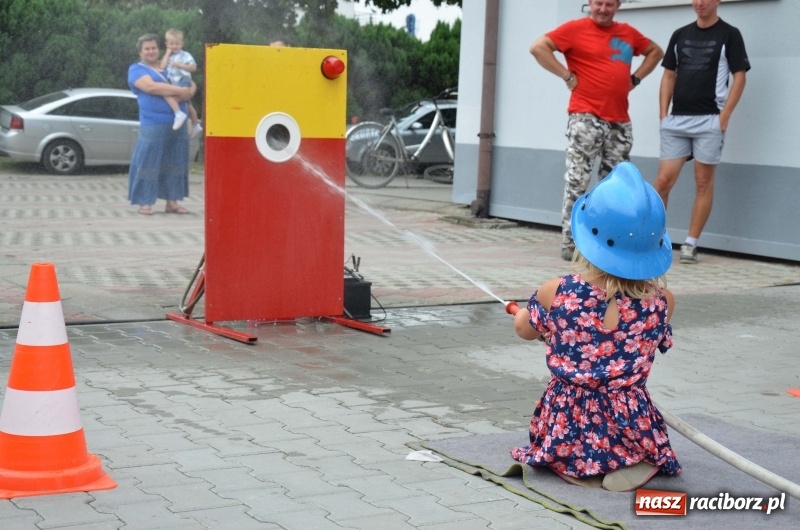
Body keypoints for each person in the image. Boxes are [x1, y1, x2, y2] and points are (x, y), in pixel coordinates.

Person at [510, 161, 681, 492]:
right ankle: (635, 456)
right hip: (631, 419)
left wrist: (536, 319)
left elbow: (524, 329)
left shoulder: (557, 291)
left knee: (564, 445)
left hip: (568, 419)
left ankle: (573, 461)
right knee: (636, 435)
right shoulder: (663, 302)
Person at [530, 0, 664, 261]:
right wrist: (566, 75)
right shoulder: (574, 29)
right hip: (586, 117)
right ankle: (571, 243)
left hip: (619, 121)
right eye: (598, 3)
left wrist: (635, 78)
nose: (603, 9)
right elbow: (538, 48)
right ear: (590, 3)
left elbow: (655, 52)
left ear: (618, 5)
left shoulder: (628, 33)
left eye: (609, 4)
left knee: (616, 187)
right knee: (577, 182)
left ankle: (606, 242)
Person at [653, 0, 750, 264]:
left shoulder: (729, 34)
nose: (699, 3)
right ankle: (653, 239)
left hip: (709, 121)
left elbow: (740, 76)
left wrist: (724, 117)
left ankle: (690, 244)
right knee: (662, 181)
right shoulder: (680, 34)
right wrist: (663, 115)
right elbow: (669, 75)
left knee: (703, 182)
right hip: (676, 121)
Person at [128, 33, 195, 215]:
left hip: (178, 123)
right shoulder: (136, 69)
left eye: (154, 48)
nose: (151, 51)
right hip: (153, 122)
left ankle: (172, 203)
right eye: (147, 49)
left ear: (159, 49)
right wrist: (180, 90)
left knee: (176, 162)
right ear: (140, 52)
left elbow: (190, 82)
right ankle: (144, 202)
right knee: (148, 162)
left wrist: (189, 91)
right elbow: (151, 87)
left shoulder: (168, 64)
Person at [160, 28, 203, 138]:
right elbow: (162, 67)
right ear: (166, 44)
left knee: (167, 93)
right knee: (187, 104)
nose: (174, 46)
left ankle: (178, 113)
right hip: (173, 81)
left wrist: (180, 65)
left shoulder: (185, 55)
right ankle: (195, 124)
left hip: (183, 79)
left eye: (177, 43)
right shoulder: (168, 56)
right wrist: (167, 53)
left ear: (182, 44)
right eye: (171, 44)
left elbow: (193, 68)